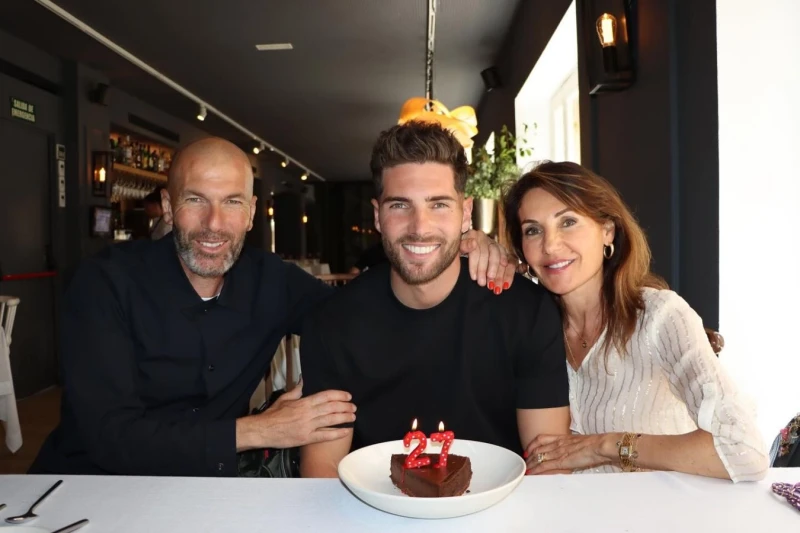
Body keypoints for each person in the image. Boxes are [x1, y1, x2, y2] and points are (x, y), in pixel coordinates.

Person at [29, 137, 518, 477]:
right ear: (166, 204)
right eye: (196, 200)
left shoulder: (272, 282)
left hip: (210, 492)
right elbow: (109, 436)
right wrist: (259, 429)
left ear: (250, 212)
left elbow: (363, 318)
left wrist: (450, 245)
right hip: (88, 487)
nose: (214, 223)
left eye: (233, 202)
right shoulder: (104, 284)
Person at [299, 122, 571, 478]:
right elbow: (323, 470)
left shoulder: (527, 311)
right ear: (378, 215)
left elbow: (548, 465)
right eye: (400, 205)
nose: (419, 227)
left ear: (466, 213)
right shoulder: (332, 323)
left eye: (439, 205)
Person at [502, 161, 769, 482]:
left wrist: (604, 446)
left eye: (568, 222)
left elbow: (745, 451)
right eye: (533, 230)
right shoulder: (532, 331)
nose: (550, 245)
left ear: (607, 231)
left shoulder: (661, 316)